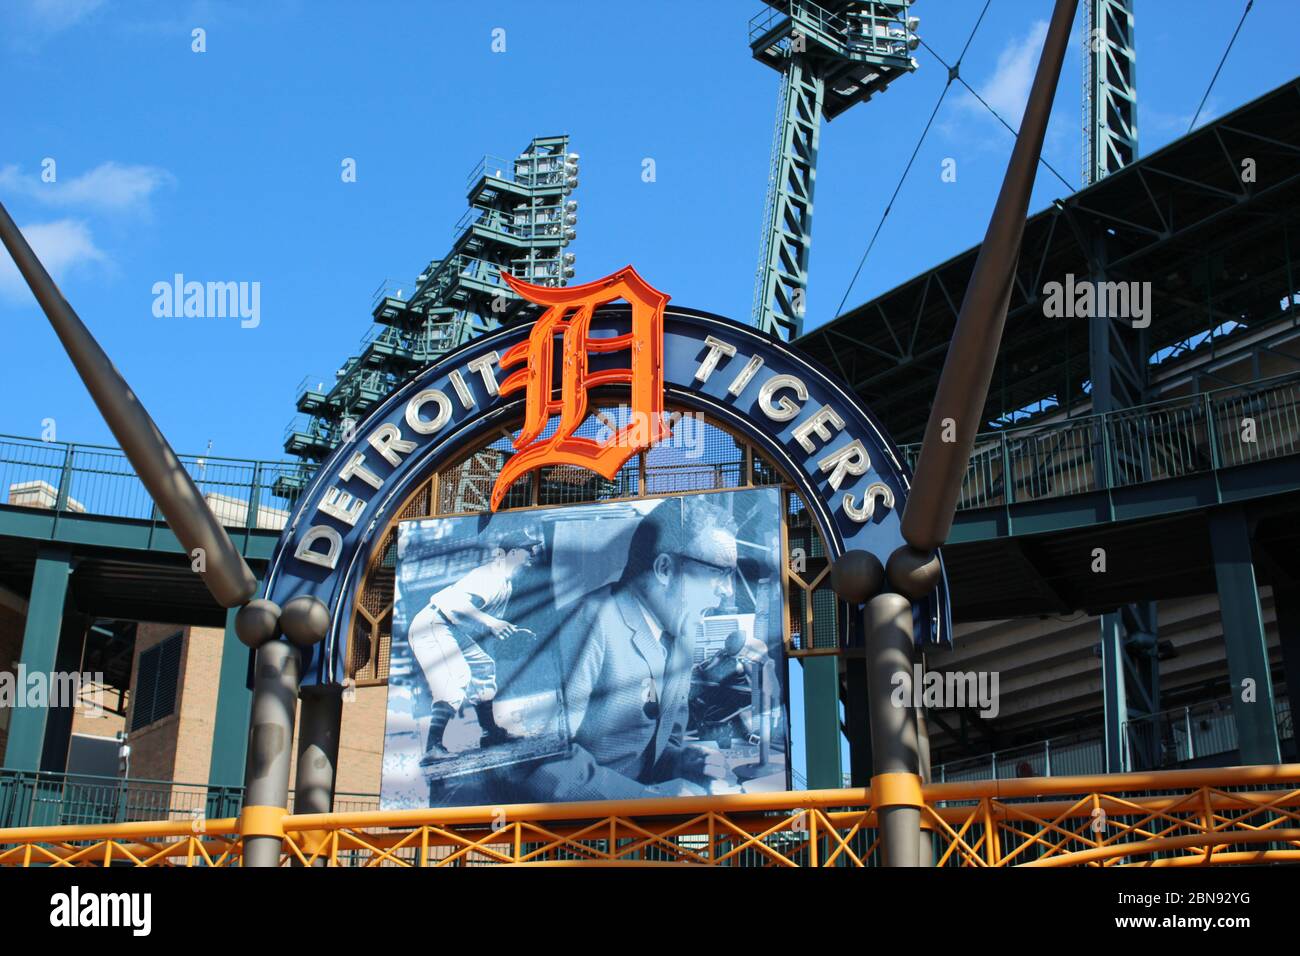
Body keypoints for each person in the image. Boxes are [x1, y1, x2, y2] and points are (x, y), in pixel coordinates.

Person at [524, 496, 739, 801]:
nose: (728, 592)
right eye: (719, 572)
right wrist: (649, 800)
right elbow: (542, 763)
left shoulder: (681, 635)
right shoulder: (588, 624)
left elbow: (661, 744)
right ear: (665, 569)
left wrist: (680, 761)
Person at [409, 529, 543, 766]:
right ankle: (432, 748)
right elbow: (454, 604)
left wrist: (506, 630)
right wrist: (492, 623)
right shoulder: (489, 577)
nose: (533, 553)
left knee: (483, 668)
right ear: (512, 553)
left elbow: (476, 621)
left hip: (452, 627)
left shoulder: (505, 583)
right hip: (433, 624)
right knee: (455, 676)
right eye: (528, 549)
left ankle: (490, 732)